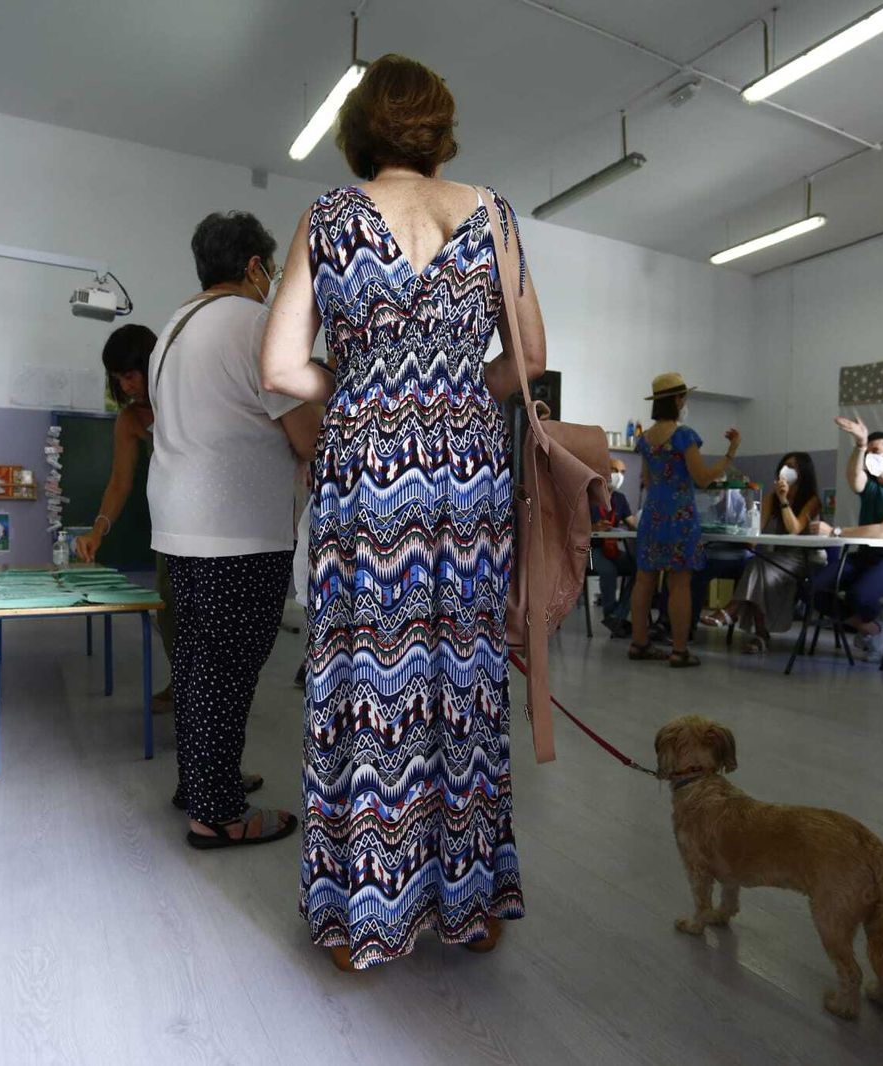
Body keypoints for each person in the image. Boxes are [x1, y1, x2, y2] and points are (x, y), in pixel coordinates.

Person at [260, 54, 543, 971]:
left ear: (359, 130)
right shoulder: (492, 213)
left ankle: (361, 916)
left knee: (364, 681)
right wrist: (456, 387)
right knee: (460, 678)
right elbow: (528, 359)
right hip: (466, 473)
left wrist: (363, 387)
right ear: (438, 126)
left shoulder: (329, 217)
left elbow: (276, 369)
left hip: (366, 472)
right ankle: (469, 905)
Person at [148, 210, 322, 847]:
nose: (274, 279)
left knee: (197, 665)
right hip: (238, 531)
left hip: (178, 528)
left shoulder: (173, 326)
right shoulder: (257, 324)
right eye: (271, 268)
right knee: (228, 672)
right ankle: (216, 815)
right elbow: (304, 438)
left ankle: (198, 781)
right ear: (254, 268)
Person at [73, 324, 176, 712]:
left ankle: (205, 693)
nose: (127, 385)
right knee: (168, 613)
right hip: (169, 528)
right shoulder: (131, 419)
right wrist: (96, 532)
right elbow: (119, 483)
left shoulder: (184, 396)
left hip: (214, 520)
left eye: (131, 375)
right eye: (119, 379)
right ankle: (182, 684)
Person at [628, 372, 739, 667]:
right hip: (680, 516)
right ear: (677, 400)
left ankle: (639, 643)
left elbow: (647, 481)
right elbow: (702, 478)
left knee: (644, 581)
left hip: (652, 514)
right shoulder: (683, 435)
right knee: (679, 584)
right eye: (683, 397)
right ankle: (679, 651)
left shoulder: (645, 440)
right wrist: (730, 454)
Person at [810, 417, 883, 661]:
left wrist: (836, 531)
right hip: (865, 556)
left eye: (876, 451)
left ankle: (869, 614)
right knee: (813, 588)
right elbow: (854, 479)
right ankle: (873, 627)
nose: (869, 457)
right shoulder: (871, 487)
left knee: (859, 594)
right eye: (868, 452)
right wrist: (860, 445)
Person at [707, 452, 822, 654]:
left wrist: (784, 500)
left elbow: (795, 529)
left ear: (803, 472)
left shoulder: (812, 500)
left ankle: (732, 611)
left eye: (793, 467)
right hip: (776, 556)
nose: (787, 470)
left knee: (758, 566)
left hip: (801, 559)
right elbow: (756, 532)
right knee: (756, 565)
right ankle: (759, 635)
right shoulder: (771, 496)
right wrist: (750, 504)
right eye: (785, 465)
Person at [590, 458, 637, 638]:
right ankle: (611, 616)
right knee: (608, 571)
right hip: (589, 551)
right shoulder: (589, 496)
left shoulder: (620, 499)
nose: (619, 475)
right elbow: (572, 528)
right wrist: (594, 527)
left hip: (612, 549)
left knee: (642, 571)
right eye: (615, 470)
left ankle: (617, 616)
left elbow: (632, 523)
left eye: (623, 472)